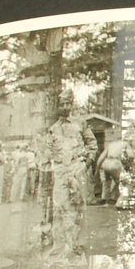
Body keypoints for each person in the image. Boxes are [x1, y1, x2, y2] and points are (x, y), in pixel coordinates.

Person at [46, 99, 96, 260]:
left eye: (68, 104)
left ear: (71, 105)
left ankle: (78, 246)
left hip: (77, 168)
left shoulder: (81, 123)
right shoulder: (53, 129)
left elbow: (92, 144)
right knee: (59, 208)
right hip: (60, 171)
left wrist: (87, 164)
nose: (65, 107)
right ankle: (59, 248)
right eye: (62, 104)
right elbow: (47, 151)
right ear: (58, 106)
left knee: (79, 208)